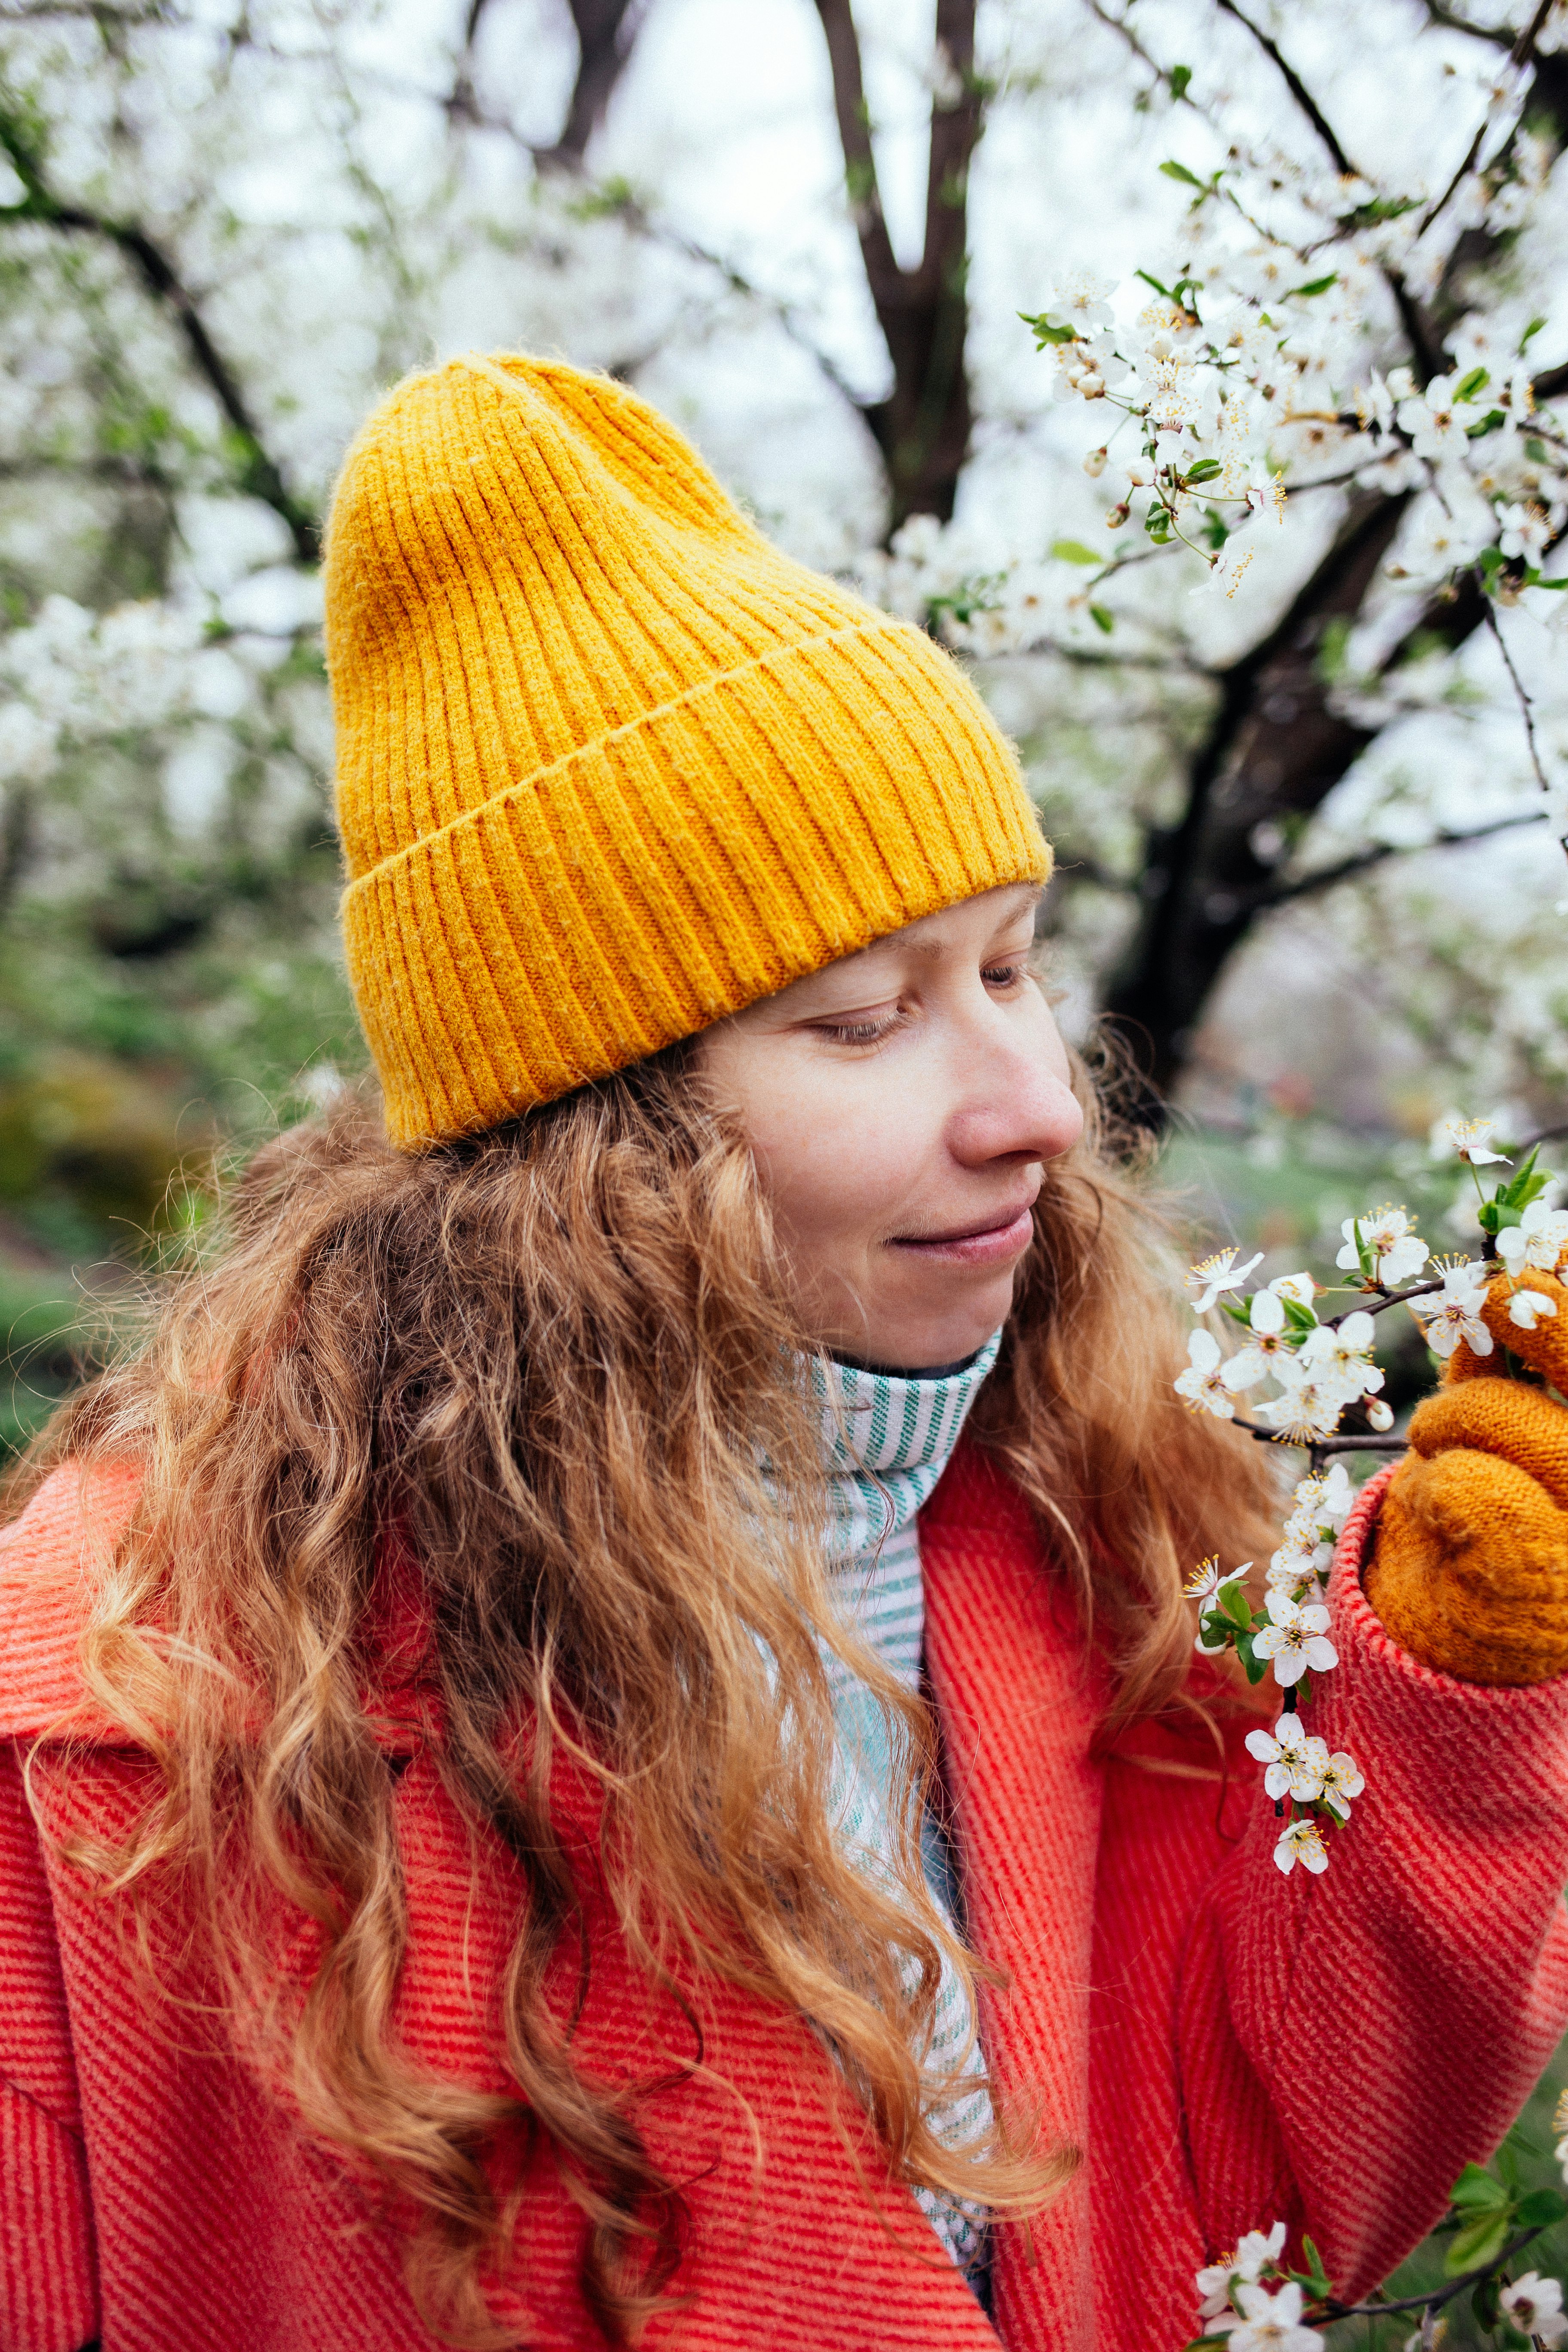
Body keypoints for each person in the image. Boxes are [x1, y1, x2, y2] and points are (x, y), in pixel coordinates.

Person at [2, 355, 1567, 2352]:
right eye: (864, 1018)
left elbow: (1228, 2194)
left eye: (1009, 965)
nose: (1041, 1106)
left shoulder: (1069, 1530)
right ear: (591, 1133)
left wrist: (1443, 1684)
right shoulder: (139, 1712)